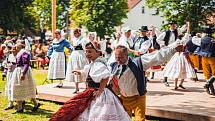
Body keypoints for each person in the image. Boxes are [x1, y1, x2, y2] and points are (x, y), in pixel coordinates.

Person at [49, 41, 131, 121]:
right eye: (86, 52)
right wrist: (80, 72)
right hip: (92, 91)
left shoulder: (98, 64)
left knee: (98, 112)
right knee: (80, 109)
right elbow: (88, 71)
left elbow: (105, 77)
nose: (87, 54)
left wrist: (100, 90)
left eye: (90, 52)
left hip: (99, 93)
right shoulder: (93, 64)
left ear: (98, 53)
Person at [110, 44, 183, 121]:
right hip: (123, 98)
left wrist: (173, 50)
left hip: (138, 97)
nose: (118, 60)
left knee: (140, 119)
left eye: (121, 57)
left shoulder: (138, 62)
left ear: (127, 55)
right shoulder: (113, 66)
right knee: (124, 119)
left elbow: (156, 56)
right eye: (116, 57)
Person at [10, 40, 40, 113]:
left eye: (18, 43)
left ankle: (36, 104)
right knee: (17, 88)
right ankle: (20, 108)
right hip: (18, 71)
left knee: (27, 88)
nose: (16, 44)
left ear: (22, 45)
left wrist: (23, 73)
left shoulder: (24, 52)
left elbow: (26, 63)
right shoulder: (19, 53)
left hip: (23, 71)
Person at [156, 21, 187, 86]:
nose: (174, 26)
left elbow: (183, 30)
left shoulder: (177, 31)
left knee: (174, 64)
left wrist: (186, 24)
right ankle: (165, 79)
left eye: (174, 25)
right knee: (168, 64)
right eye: (172, 25)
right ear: (170, 25)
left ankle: (175, 78)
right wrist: (163, 45)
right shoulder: (166, 32)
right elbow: (158, 39)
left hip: (175, 49)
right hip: (168, 49)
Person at [65, 28, 88, 93]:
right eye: (74, 33)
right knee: (75, 70)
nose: (74, 35)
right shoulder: (74, 39)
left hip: (81, 55)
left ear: (79, 33)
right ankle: (76, 87)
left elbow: (85, 48)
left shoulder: (83, 39)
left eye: (76, 33)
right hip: (74, 55)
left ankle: (86, 86)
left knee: (82, 69)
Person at [4, 46, 17, 110]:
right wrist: (4, 73)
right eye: (12, 49)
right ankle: (10, 103)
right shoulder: (10, 56)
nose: (13, 50)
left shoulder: (19, 56)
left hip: (16, 74)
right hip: (10, 74)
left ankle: (20, 101)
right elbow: (6, 65)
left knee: (15, 88)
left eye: (14, 49)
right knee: (9, 87)